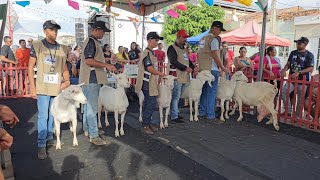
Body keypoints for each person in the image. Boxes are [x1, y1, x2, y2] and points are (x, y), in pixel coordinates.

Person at [28, 20, 71, 160]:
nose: (55, 32)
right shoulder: (37, 46)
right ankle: (41, 145)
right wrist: (32, 88)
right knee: (43, 116)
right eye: (52, 30)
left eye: (56, 30)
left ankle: (48, 138)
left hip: (56, 87)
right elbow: (30, 68)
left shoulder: (62, 49)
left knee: (52, 115)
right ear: (45, 31)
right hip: (42, 87)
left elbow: (64, 67)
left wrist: (68, 80)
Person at [78, 21, 116, 145]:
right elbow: (89, 60)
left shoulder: (90, 41)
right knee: (92, 108)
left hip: (88, 78)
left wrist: (107, 61)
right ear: (97, 30)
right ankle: (93, 135)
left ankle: (87, 129)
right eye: (103, 31)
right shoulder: (91, 42)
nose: (104, 34)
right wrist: (106, 65)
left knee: (87, 106)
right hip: (91, 79)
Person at [198, 21, 230, 123]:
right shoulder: (214, 39)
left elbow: (199, 54)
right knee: (212, 92)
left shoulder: (202, 39)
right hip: (212, 69)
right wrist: (223, 68)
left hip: (203, 69)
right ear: (215, 28)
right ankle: (211, 115)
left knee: (204, 91)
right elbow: (215, 55)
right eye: (220, 30)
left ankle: (202, 112)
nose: (220, 32)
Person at [135, 32, 166, 135]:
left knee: (151, 103)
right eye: (156, 40)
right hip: (146, 82)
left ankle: (148, 123)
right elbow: (149, 68)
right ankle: (145, 124)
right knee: (150, 103)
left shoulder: (151, 53)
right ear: (149, 40)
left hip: (151, 82)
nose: (157, 43)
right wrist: (161, 74)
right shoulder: (147, 53)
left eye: (158, 41)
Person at [281, 37, 314, 117]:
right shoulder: (293, 53)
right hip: (292, 79)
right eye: (296, 43)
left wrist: (299, 72)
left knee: (301, 99)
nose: (297, 45)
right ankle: (288, 111)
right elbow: (288, 63)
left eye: (299, 43)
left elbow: (311, 68)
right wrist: (284, 70)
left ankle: (298, 116)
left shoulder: (309, 55)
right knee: (284, 92)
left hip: (303, 80)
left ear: (305, 44)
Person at [167, 29, 195, 123]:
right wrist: (185, 68)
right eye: (184, 37)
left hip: (184, 76)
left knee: (178, 96)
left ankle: (176, 112)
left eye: (186, 37)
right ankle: (174, 115)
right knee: (176, 96)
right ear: (178, 37)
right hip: (176, 76)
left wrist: (193, 67)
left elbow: (188, 61)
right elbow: (173, 61)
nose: (185, 39)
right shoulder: (172, 48)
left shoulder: (184, 48)